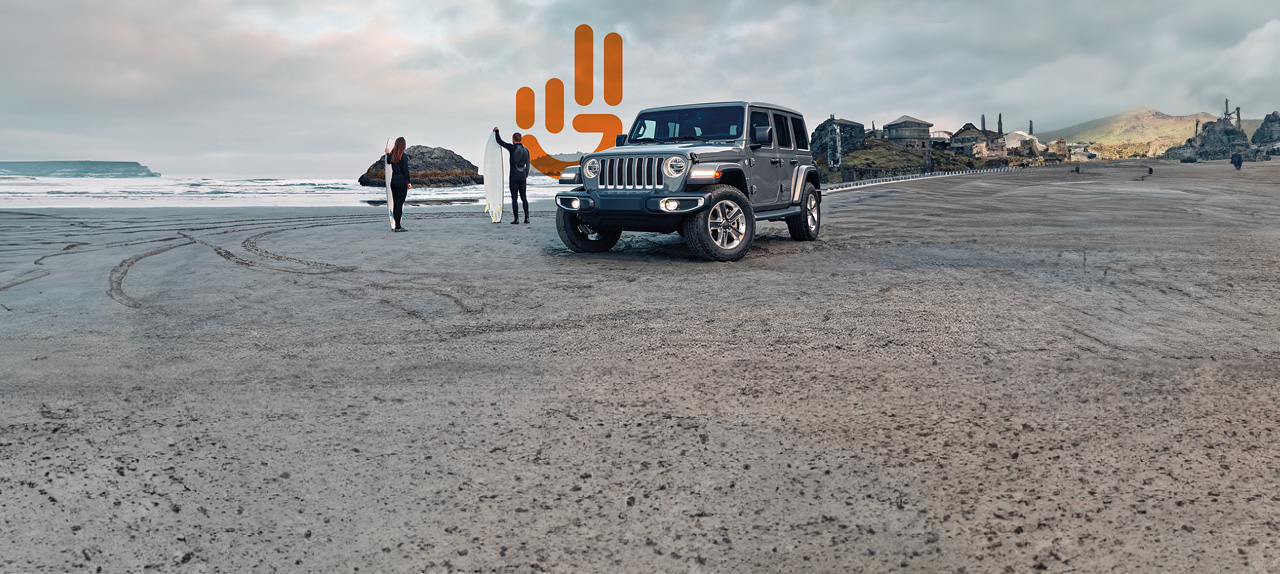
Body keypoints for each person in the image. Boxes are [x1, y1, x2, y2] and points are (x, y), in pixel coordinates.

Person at [493, 128, 530, 224]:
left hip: (514, 176)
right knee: (524, 197)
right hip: (522, 176)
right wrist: (526, 176)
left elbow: (499, 141)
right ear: (520, 139)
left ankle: (516, 219)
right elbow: (528, 165)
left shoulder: (512, 148)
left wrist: (496, 131)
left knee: (514, 198)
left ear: (514, 139)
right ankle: (527, 218)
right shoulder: (526, 150)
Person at [384, 137, 412, 231]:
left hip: (393, 180)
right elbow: (405, 170)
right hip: (401, 181)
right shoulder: (403, 156)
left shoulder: (392, 155)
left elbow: (388, 162)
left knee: (396, 203)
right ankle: (398, 226)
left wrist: (387, 153)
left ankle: (395, 226)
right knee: (399, 204)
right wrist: (408, 182)